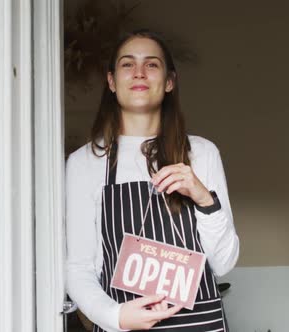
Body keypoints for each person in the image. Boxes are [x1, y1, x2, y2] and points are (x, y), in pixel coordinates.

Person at [66, 29, 240, 332]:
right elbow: (78, 267)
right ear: (111, 81)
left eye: (152, 64)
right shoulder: (84, 162)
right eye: (127, 64)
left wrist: (204, 199)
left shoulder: (201, 153)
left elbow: (223, 263)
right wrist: (115, 316)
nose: (139, 73)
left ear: (169, 81)